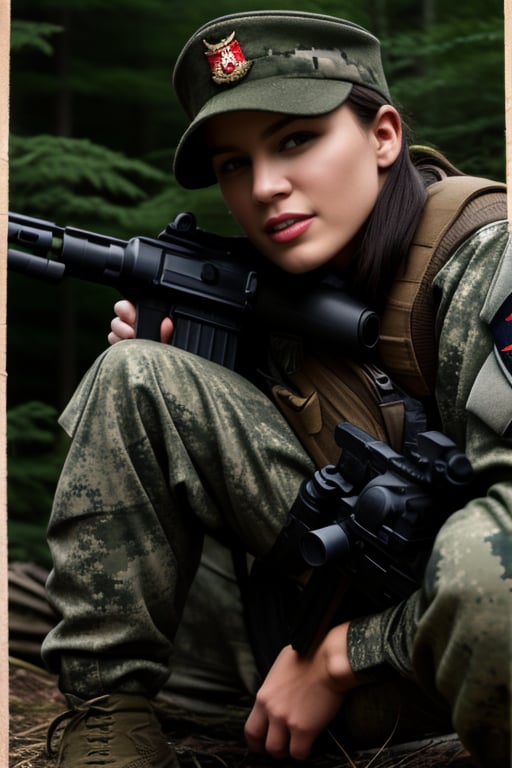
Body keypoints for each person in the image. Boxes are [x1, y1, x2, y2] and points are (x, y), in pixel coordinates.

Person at [41, 10, 511, 768]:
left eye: (297, 140)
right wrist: (186, 390)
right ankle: (109, 726)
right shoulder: (279, 289)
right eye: (234, 163)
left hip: (444, 654)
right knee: (137, 373)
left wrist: (338, 659)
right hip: (282, 638)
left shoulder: (487, 266)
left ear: (384, 135)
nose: (264, 188)